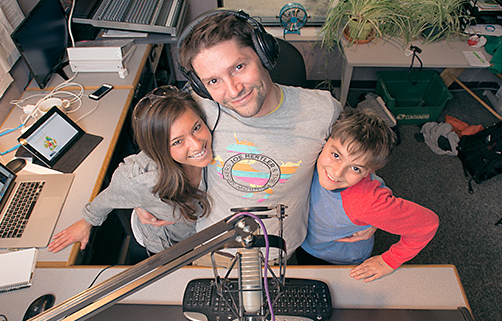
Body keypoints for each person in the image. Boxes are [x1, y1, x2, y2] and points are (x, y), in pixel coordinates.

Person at [138, 10, 376, 261]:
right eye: (213, 81)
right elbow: (155, 149)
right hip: (214, 248)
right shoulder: (200, 109)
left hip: (280, 249)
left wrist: (371, 205)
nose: (233, 90)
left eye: (238, 67)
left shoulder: (323, 111)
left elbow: (357, 154)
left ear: (263, 53)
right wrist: (141, 197)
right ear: (201, 86)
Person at [48, 86, 213, 260]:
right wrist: (86, 221)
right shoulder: (141, 179)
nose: (197, 144)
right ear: (158, 149)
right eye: (177, 142)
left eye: (196, 128)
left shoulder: (218, 141)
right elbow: (109, 197)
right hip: (162, 246)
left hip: (198, 236)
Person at [297, 110, 440, 281]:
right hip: (307, 239)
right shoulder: (312, 155)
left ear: (368, 172)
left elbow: (427, 224)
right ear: (325, 142)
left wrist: (389, 261)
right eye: (336, 155)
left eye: (355, 168)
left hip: (334, 259)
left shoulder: (367, 203)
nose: (337, 172)